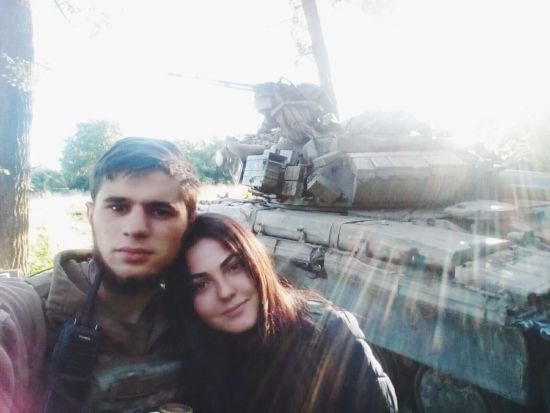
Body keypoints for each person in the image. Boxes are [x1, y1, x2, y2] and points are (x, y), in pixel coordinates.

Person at [0, 137, 200, 412]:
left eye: (161, 211)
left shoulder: (196, 315)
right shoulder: (27, 314)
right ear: (90, 214)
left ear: (189, 224)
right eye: (118, 207)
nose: (135, 228)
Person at [168, 213, 399, 413]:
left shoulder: (328, 336)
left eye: (234, 267)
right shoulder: (189, 359)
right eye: (201, 284)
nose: (225, 292)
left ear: (255, 262)